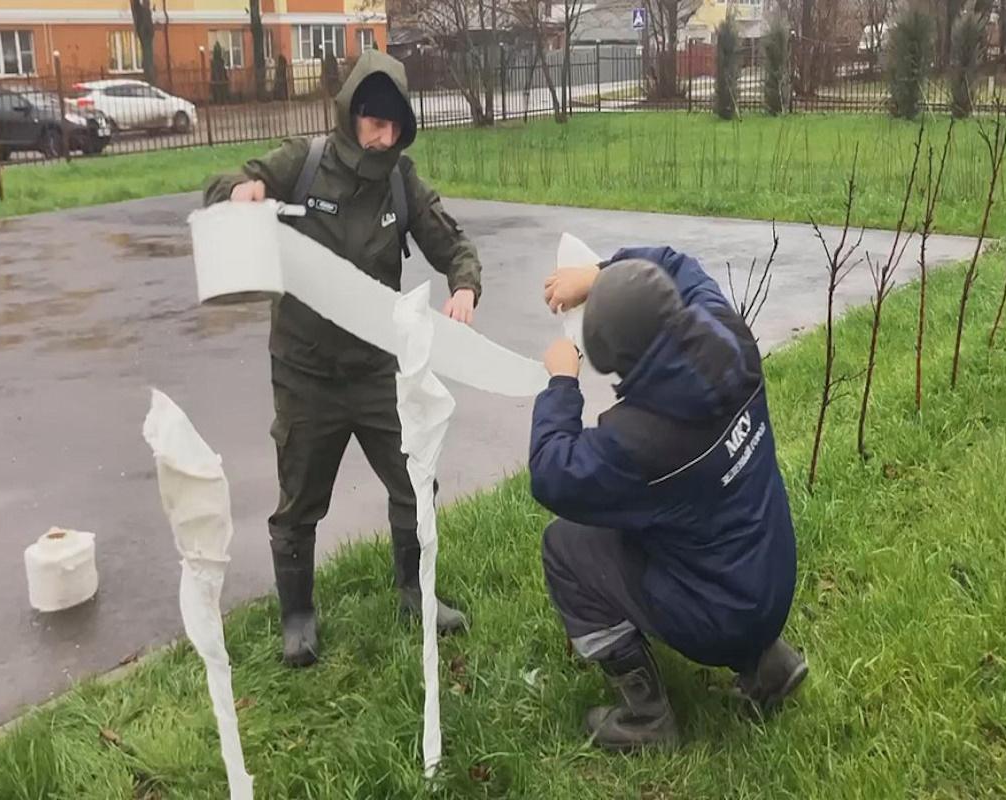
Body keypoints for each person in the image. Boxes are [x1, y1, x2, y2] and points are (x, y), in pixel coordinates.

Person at [203, 51, 480, 667]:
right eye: (370, 121)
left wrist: (465, 286)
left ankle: (415, 592)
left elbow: (453, 243)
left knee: (415, 481)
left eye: (392, 126)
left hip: (379, 370)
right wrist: (241, 192)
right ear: (350, 113)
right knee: (300, 499)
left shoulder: (402, 182)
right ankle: (298, 616)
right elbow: (221, 185)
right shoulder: (299, 164)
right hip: (305, 374)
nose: (380, 136)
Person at [531, 247, 806, 751]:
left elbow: (552, 474)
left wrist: (561, 383)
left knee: (565, 547)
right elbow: (680, 265)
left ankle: (648, 718)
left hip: (718, 621)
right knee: (691, 516)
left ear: (617, 362)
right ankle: (768, 662)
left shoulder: (639, 444)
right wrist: (600, 274)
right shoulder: (730, 337)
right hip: (776, 575)